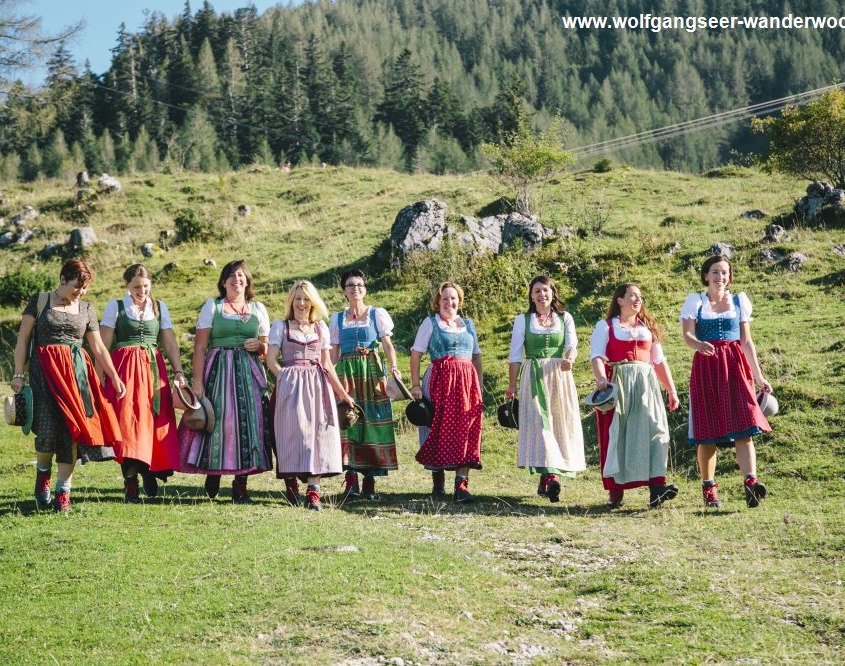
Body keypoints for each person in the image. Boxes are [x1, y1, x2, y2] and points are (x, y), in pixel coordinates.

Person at [9, 259, 125, 512]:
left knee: (72, 431)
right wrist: (18, 374)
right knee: (48, 429)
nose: (80, 293)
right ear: (62, 280)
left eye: (84, 288)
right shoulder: (39, 301)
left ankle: (63, 491)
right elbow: (22, 341)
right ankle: (43, 474)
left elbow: (98, 348)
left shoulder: (86, 308)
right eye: (76, 287)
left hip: (77, 376)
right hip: (44, 374)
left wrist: (114, 377)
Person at [681, 255, 772, 508]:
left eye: (724, 272)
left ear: (729, 276)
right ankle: (709, 489)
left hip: (735, 366)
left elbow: (746, 342)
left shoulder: (739, 301)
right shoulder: (695, 302)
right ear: (706, 276)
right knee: (707, 433)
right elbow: (687, 335)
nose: (720, 277)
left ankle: (751, 483)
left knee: (746, 426)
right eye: (715, 272)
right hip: (707, 367)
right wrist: (698, 344)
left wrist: (759, 376)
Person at [179, 259, 271, 503]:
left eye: (241, 275)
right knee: (218, 421)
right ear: (223, 282)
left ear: (247, 281)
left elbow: (268, 349)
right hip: (218, 370)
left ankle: (241, 484)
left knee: (250, 424)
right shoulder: (213, 307)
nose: (237, 279)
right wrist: (197, 382)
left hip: (250, 372)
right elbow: (199, 347)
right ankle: (214, 471)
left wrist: (260, 346)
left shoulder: (259, 309)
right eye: (231, 275)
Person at [99, 264, 185, 503]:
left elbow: (169, 343)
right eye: (137, 287)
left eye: (146, 286)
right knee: (127, 424)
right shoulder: (115, 307)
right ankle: (130, 481)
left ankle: (149, 469)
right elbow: (103, 345)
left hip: (152, 370)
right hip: (124, 370)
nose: (142, 291)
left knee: (153, 421)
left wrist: (178, 371)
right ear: (127, 285)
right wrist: (100, 377)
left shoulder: (159, 308)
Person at [267, 280, 355, 511]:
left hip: (318, 386)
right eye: (297, 298)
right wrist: (284, 378)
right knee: (292, 435)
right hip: (290, 386)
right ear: (291, 301)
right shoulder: (281, 326)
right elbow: (270, 359)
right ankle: (292, 483)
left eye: (306, 298)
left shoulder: (320, 328)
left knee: (318, 436)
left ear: (312, 302)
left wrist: (343, 394)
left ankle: (313, 492)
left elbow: (327, 363)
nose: (302, 303)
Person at [589, 283, 680, 509]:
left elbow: (658, 361)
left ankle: (657, 487)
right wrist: (601, 379)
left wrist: (671, 390)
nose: (637, 300)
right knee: (618, 433)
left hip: (646, 382)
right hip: (620, 380)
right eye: (632, 296)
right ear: (620, 300)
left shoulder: (647, 327)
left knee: (656, 430)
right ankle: (615, 490)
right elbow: (597, 357)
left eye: (640, 296)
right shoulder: (607, 326)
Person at [505, 276, 586, 503]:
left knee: (558, 423)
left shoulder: (564, 318)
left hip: (559, 374)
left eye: (546, 290)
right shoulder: (524, 320)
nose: (542, 295)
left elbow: (572, 345)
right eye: (537, 291)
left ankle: (547, 478)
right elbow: (515, 354)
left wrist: (569, 359)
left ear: (553, 293)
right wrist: (512, 385)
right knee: (540, 424)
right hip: (533, 374)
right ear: (531, 296)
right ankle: (550, 477)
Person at [329, 269, 400, 501]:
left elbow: (387, 343)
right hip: (347, 372)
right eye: (350, 285)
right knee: (347, 421)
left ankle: (370, 480)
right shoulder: (337, 318)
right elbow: (334, 351)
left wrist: (393, 367)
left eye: (359, 285)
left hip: (371, 371)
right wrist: (328, 375)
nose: (355, 288)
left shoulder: (377, 314)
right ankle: (351, 480)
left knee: (373, 421)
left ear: (365, 289)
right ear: (344, 291)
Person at [410, 282, 483, 502]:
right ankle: (438, 481)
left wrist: (478, 385)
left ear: (459, 301)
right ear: (437, 302)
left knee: (467, 431)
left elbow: (477, 356)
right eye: (444, 299)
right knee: (437, 429)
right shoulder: (430, 323)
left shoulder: (468, 324)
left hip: (467, 384)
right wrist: (415, 385)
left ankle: (461, 485)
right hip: (439, 382)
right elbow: (416, 354)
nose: (449, 303)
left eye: (453, 299)